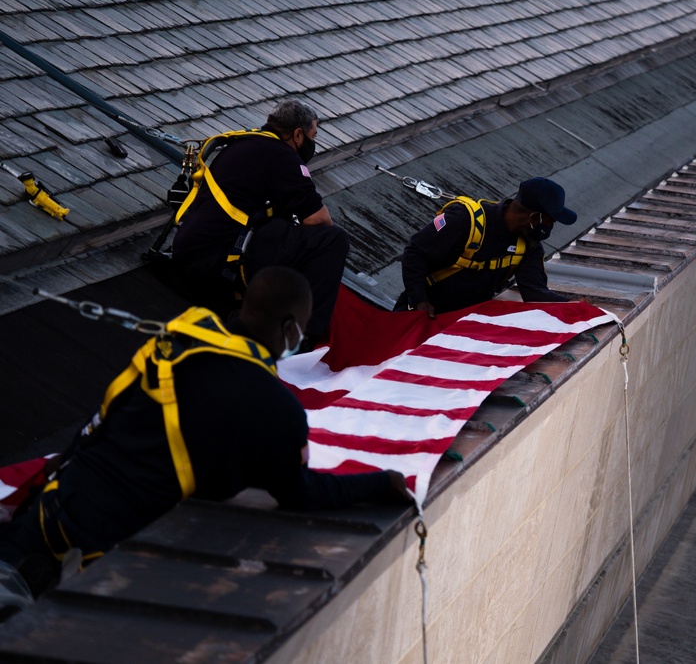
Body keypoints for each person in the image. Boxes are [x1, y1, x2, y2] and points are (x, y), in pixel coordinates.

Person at [0, 267, 405, 599]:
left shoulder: (179, 343)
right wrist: (379, 483)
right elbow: (299, 493)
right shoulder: (273, 408)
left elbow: (100, 423)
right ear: (289, 329)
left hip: (51, 508)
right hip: (102, 543)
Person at [171, 99, 349, 345]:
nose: (312, 143)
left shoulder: (240, 143)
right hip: (218, 260)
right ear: (298, 135)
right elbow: (319, 219)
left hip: (189, 248)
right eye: (313, 135)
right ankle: (306, 335)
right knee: (333, 240)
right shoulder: (282, 157)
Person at [395, 177, 576, 318]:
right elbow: (415, 254)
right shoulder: (465, 221)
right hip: (421, 313)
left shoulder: (529, 245)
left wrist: (575, 306)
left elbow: (535, 293)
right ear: (534, 217)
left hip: (460, 326)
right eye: (550, 221)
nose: (550, 227)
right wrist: (419, 300)